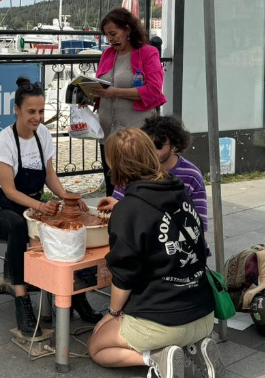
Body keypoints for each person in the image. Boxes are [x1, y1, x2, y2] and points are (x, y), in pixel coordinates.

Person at [88, 128, 216, 378]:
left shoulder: (128, 210)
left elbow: (124, 276)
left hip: (163, 323)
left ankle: (156, 358)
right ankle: (191, 350)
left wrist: (112, 314)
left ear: (115, 164)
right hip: (204, 314)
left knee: (96, 347)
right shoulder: (179, 189)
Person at [0, 77, 100, 337]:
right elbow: (9, 191)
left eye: (41, 111)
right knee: (18, 226)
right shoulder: (3, 142)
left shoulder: (42, 134)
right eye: (31, 112)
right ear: (17, 110)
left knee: (69, 224)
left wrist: (67, 196)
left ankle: (75, 293)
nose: (37, 117)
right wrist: (40, 207)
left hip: (30, 206)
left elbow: (49, 175)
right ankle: (21, 299)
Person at [86, 8, 167, 196]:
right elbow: (103, 86)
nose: (110, 39)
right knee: (112, 184)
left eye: (113, 34)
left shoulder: (147, 53)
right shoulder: (108, 54)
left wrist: (115, 92)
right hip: (108, 132)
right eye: (107, 36)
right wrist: (87, 95)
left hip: (134, 133)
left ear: (127, 29)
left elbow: (153, 90)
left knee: (136, 183)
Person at [97, 116, 208, 233]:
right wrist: (116, 205)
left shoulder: (191, 175)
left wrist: (121, 208)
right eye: (148, 145)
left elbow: (199, 224)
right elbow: (119, 202)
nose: (152, 151)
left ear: (174, 146)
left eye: (158, 145)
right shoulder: (135, 168)